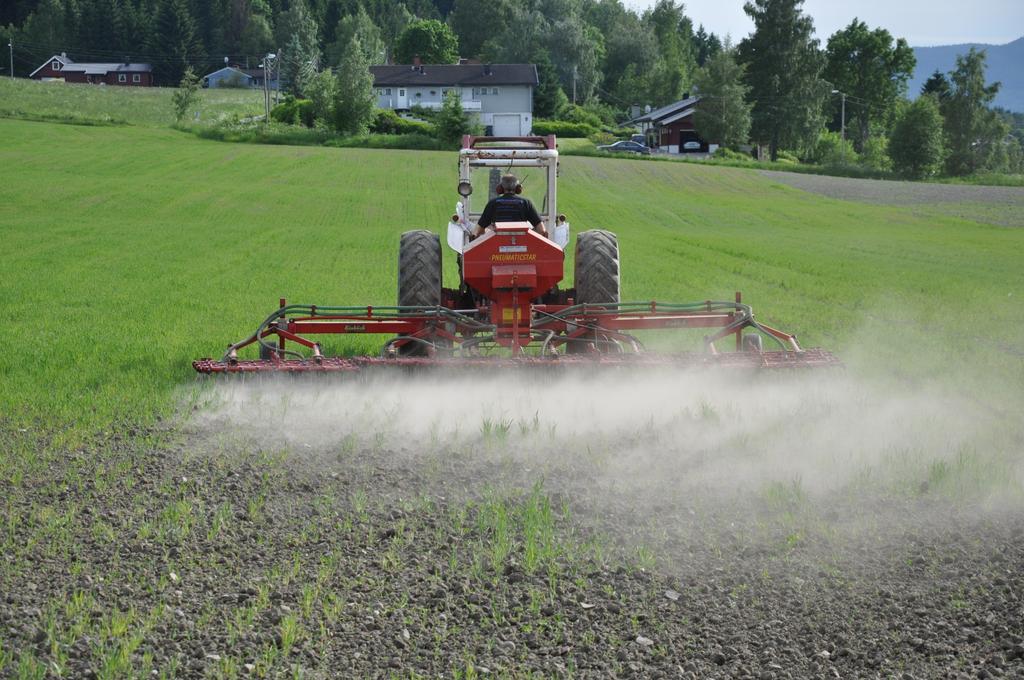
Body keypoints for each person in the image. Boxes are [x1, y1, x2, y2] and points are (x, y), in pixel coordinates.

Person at [473, 174, 548, 238]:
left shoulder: (492, 203)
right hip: (522, 246)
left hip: (496, 248)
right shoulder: (526, 203)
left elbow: (477, 232)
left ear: (500, 188)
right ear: (518, 188)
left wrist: (486, 231)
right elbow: (542, 230)